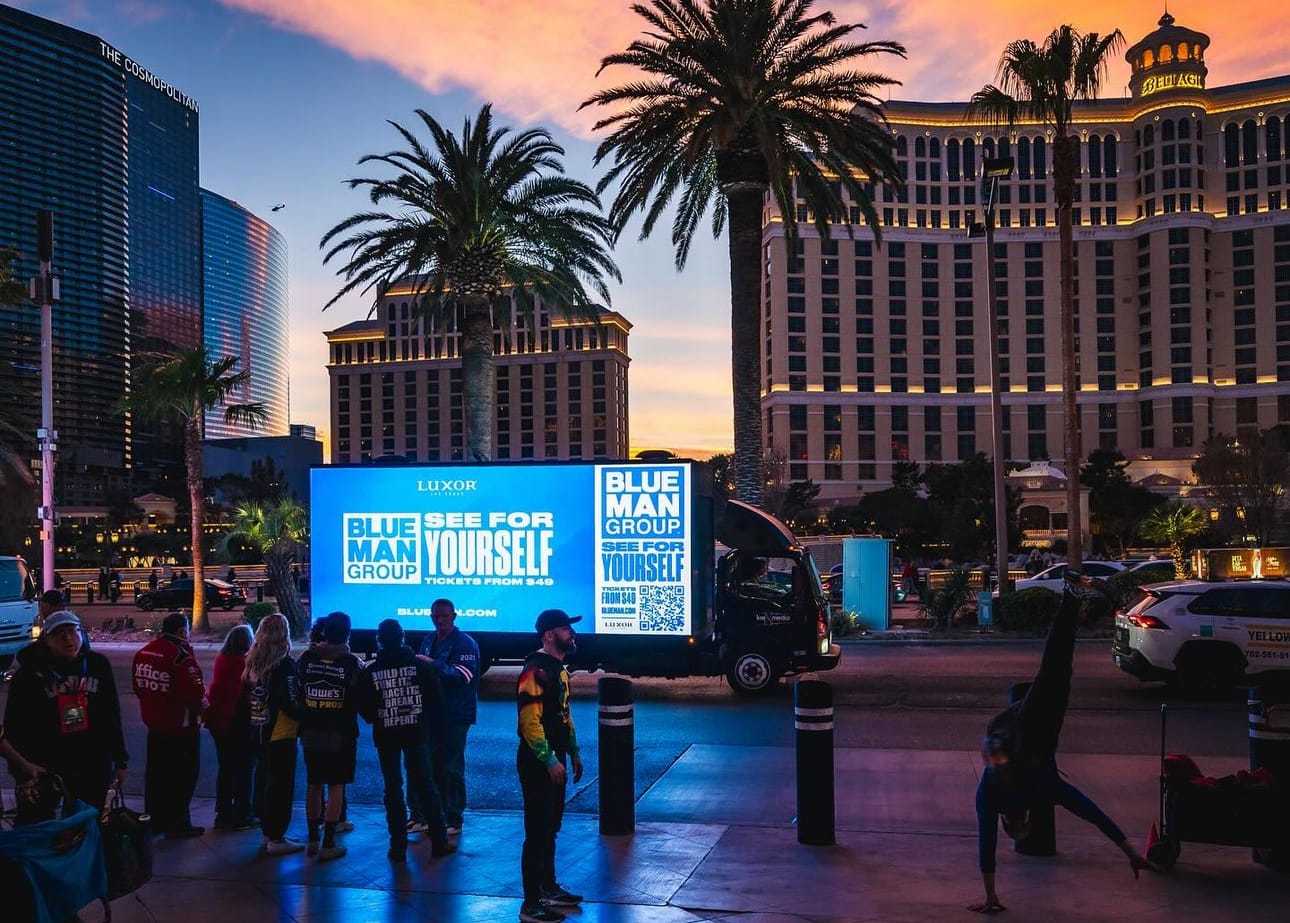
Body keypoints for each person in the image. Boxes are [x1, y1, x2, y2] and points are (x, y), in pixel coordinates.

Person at [971, 572, 1155, 914]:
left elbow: (1091, 812)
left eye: (1022, 823)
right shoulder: (1004, 796)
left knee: (1057, 670)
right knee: (1054, 669)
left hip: (1032, 731)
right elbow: (1090, 813)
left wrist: (1128, 850)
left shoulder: (1032, 791)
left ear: (1018, 819)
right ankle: (1070, 598)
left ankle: (1070, 598)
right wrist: (1128, 851)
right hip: (1029, 730)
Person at [2, 610, 127, 812]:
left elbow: (111, 714)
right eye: (60, 634)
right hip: (45, 765)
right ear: (47, 640)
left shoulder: (97, 665)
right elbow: (15, 725)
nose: (68, 639)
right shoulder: (29, 674)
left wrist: (120, 761)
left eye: (73, 631)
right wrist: (22, 773)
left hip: (91, 761)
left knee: (86, 822)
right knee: (37, 823)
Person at [358, 618, 455, 861]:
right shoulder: (419, 667)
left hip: (386, 734)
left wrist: (379, 717)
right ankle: (439, 841)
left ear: (379, 640)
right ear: (402, 638)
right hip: (416, 732)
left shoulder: (372, 671)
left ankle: (397, 846)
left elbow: (365, 707)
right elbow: (436, 698)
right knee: (426, 785)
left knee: (392, 789)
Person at [516, 609, 585, 923]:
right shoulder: (535, 671)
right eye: (565, 629)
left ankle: (548, 887)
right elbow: (530, 722)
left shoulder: (558, 668)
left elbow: (563, 714)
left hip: (554, 758)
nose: (570, 633)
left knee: (550, 829)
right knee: (537, 830)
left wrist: (573, 752)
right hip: (536, 763)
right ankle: (531, 904)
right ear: (548, 635)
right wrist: (549, 759)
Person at [133, 610, 205, 838]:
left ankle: (154, 819)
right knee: (182, 778)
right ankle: (177, 823)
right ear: (182, 631)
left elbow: (138, 688)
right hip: (181, 728)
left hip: (155, 726)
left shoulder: (144, 653)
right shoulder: (180, 658)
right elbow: (195, 694)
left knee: (156, 777)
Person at [414, 597, 480, 837]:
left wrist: (432, 664)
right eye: (436, 616)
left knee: (453, 767)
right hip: (432, 713)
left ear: (454, 616)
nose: (440, 620)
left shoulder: (465, 644)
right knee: (432, 765)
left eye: (444, 616)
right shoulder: (429, 639)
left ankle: (454, 817)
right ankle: (435, 814)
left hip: (456, 713)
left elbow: (462, 676)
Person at [298, 611, 361, 860]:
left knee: (313, 784)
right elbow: (360, 697)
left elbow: (297, 687)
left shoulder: (306, 658)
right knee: (336, 785)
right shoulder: (351, 663)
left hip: (310, 730)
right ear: (347, 633)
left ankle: (312, 838)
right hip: (340, 732)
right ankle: (328, 843)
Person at [244, 612, 306, 855]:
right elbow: (291, 702)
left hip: (257, 729)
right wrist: (307, 716)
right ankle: (277, 836)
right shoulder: (285, 665)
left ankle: (266, 832)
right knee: (281, 785)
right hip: (281, 733)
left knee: (264, 780)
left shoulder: (252, 662)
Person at [206, 623, 256, 830]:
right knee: (244, 768)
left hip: (218, 719)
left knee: (226, 767)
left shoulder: (222, 659)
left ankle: (223, 811)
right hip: (237, 720)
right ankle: (243, 813)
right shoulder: (243, 664)